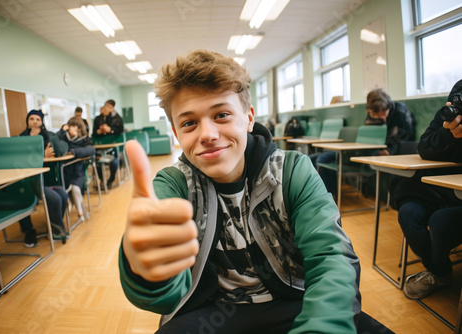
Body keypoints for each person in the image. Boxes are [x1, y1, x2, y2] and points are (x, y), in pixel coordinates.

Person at [119, 50, 392, 333]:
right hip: (210, 314)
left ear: (249, 118)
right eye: (189, 123)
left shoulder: (292, 171)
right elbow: (165, 295)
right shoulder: (173, 185)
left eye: (222, 115)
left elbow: (331, 259)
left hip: (295, 302)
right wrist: (145, 271)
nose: (208, 134)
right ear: (177, 134)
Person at [391, 79, 462, 300]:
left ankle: (436, 268)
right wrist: (448, 133)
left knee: (440, 221)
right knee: (408, 213)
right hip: (438, 190)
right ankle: (439, 271)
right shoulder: (449, 116)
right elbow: (425, 147)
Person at [315, 88, 416, 197]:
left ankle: (332, 194)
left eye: (383, 113)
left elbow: (406, 137)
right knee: (320, 159)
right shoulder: (371, 114)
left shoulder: (400, 112)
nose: (381, 117)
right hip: (372, 152)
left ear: (389, 107)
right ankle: (330, 194)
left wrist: (388, 150)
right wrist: (377, 151)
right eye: (376, 114)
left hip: (394, 152)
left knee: (323, 159)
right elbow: (367, 138)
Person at [19, 109, 69, 244]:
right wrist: (41, 155)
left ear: (42, 122)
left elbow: (60, 150)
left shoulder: (47, 136)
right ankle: (30, 231)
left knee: (63, 196)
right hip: (28, 182)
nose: (35, 122)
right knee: (54, 198)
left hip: (47, 179)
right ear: (27, 122)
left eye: (38, 119)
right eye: (31, 119)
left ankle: (54, 226)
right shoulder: (20, 139)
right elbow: (20, 160)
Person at [57, 117, 96, 221]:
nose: (74, 129)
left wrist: (74, 152)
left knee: (76, 188)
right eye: (72, 126)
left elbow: (91, 149)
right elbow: (54, 141)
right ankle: (72, 209)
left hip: (76, 173)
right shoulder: (63, 138)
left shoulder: (84, 140)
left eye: (76, 127)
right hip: (62, 174)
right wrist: (61, 131)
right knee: (62, 190)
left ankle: (80, 210)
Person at [92, 99, 124, 189]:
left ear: (112, 108)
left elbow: (120, 131)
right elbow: (94, 133)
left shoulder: (116, 118)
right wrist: (100, 130)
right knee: (97, 162)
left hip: (113, 147)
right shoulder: (98, 119)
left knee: (114, 162)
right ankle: (102, 181)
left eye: (109, 107)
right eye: (105, 106)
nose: (106, 108)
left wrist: (110, 130)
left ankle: (110, 181)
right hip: (100, 147)